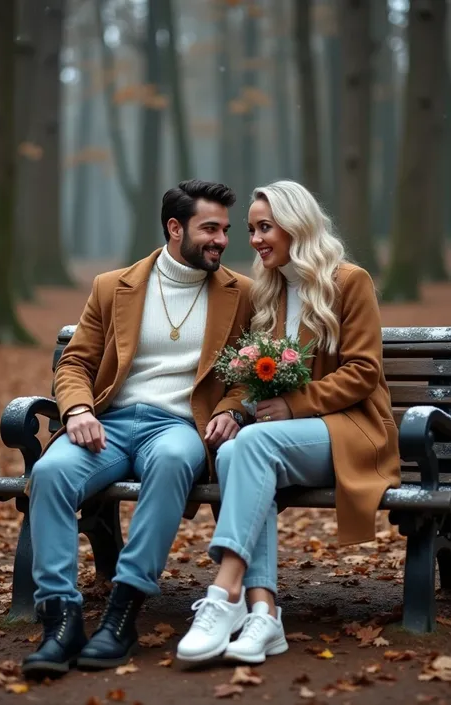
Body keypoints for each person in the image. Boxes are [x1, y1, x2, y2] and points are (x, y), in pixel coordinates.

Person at [22, 179, 252, 679]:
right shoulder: (114, 286)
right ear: (175, 228)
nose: (221, 239)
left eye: (225, 230)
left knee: (172, 462)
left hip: (179, 428)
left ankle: (123, 611)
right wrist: (79, 410)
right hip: (108, 424)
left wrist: (232, 409)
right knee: (52, 472)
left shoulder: (241, 294)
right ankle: (60, 620)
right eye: (209, 228)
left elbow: (248, 374)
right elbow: (75, 363)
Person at [177, 180, 401, 665]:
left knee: (251, 447)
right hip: (288, 440)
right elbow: (254, 373)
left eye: (265, 227)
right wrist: (238, 408)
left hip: (353, 431)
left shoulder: (348, 280)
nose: (255, 239)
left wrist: (295, 404)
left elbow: (364, 371)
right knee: (237, 449)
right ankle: (264, 614)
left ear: (295, 226)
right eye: (253, 230)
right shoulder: (269, 291)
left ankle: (223, 592)